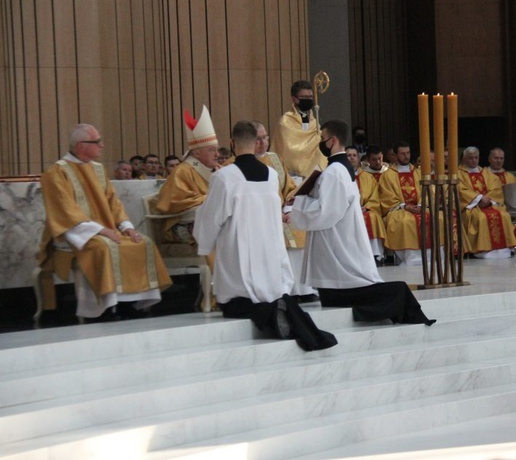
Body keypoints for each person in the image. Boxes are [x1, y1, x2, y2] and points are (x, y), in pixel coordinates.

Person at [193, 120, 336, 351]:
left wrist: (204, 240)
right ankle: (278, 308)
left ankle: (273, 314)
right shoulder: (271, 175)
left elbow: (210, 220)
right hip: (270, 267)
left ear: (231, 143)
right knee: (269, 296)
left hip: (239, 270)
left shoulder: (224, 177)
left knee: (239, 303)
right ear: (255, 142)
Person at [291, 120, 434, 325]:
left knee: (349, 285)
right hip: (340, 233)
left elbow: (326, 212)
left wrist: (297, 207)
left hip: (336, 239)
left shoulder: (334, 172)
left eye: (322, 139)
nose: (320, 143)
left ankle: (400, 303)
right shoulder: (341, 169)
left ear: (333, 141)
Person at [38, 124, 172, 318]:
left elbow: (113, 203)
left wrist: (126, 227)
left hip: (106, 229)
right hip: (73, 233)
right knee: (103, 248)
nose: (102, 145)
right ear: (82, 146)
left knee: (141, 242)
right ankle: (104, 308)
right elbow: (65, 210)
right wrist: (99, 230)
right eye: (97, 142)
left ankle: (132, 304)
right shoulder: (57, 172)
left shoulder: (99, 170)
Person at [254, 120, 317, 299]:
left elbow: (289, 188)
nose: (262, 143)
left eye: (265, 138)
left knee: (298, 228)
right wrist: (275, 213)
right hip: (261, 218)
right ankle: (285, 290)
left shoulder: (274, 158)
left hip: (282, 213)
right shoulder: (239, 164)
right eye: (258, 139)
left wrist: (288, 208)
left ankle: (303, 289)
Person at [156, 105, 220, 243]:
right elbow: (174, 201)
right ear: (196, 153)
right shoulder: (182, 171)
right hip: (182, 221)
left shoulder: (218, 169)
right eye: (211, 150)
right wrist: (211, 199)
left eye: (217, 150)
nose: (217, 154)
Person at [457, 147, 516, 258]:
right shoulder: (458, 174)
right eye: (470, 158)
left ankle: (502, 248)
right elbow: (460, 189)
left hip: (489, 204)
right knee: (481, 217)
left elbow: (496, 188)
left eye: (476, 158)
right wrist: (478, 198)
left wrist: (487, 199)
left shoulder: (486, 173)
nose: (473, 160)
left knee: (503, 214)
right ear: (464, 159)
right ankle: (483, 250)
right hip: (472, 207)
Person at [378, 141, 428, 266]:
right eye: (402, 153)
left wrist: (421, 205)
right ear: (395, 155)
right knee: (404, 221)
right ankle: (409, 258)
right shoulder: (387, 175)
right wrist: (405, 206)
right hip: (399, 208)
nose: (406, 156)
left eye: (408, 153)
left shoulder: (419, 172)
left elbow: (427, 192)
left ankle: (430, 256)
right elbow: (386, 196)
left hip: (419, 207)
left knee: (436, 218)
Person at [273, 80, 328, 182]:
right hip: (293, 176)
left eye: (310, 97)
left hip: (315, 175)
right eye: (305, 98)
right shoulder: (285, 122)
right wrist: (314, 141)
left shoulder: (314, 122)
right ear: (294, 99)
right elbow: (290, 151)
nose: (308, 100)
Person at [347, 146, 387, 264]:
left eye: (354, 155)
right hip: (347, 210)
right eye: (348, 155)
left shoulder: (367, 177)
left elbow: (374, 197)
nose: (351, 158)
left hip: (365, 209)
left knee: (372, 217)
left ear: (359, 159)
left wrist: (367, 207)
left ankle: (375, 255)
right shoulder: (340, 175)